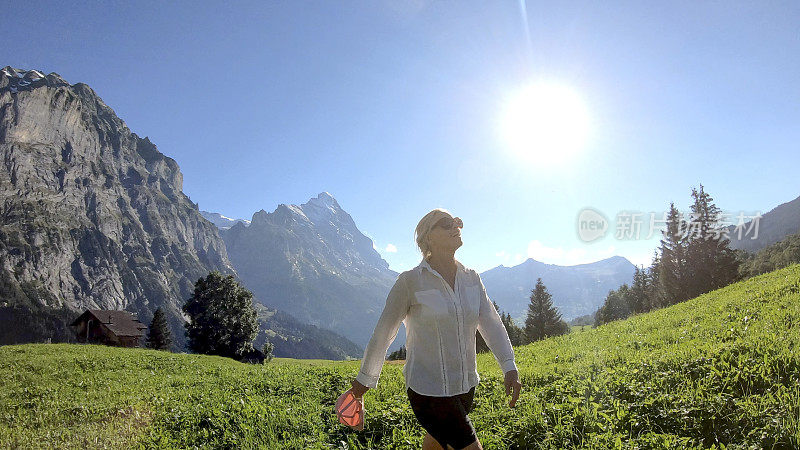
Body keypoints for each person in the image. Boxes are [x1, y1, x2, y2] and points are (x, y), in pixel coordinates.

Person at [348, 209, 522, 450]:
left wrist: (509, 366)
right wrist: (365, 378)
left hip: (465, 386)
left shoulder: (472, 279)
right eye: (445, 223)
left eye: (456, 222)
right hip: (428, 390)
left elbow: (492, 324)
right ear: (428, 237)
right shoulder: (410, 282)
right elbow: (383, 333)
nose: (455, 227)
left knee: (438, 444)